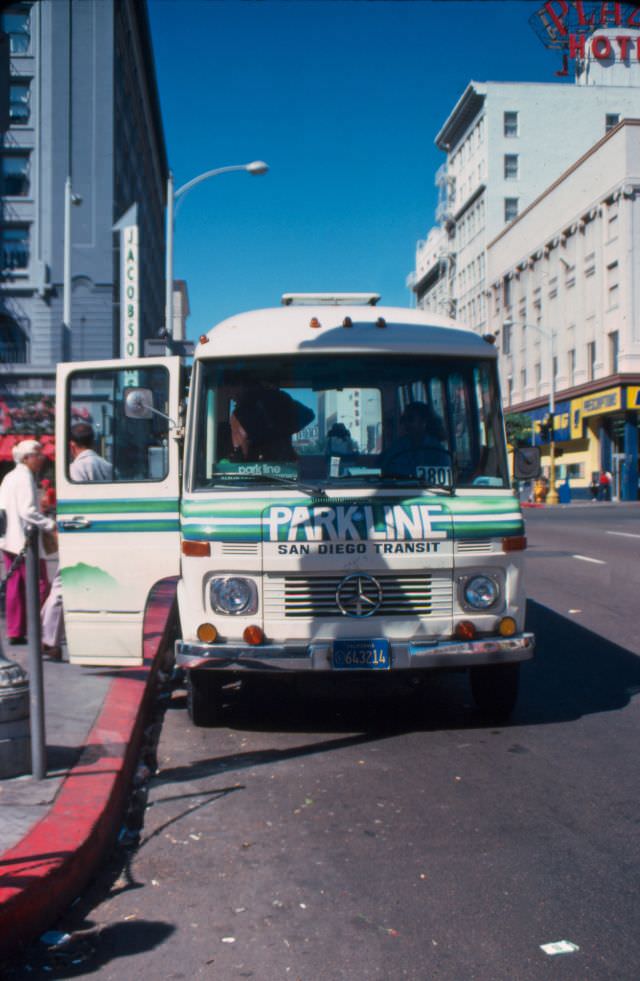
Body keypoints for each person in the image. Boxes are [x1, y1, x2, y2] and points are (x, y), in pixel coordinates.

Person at [0, 440, 55, 646]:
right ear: (25, 458)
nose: (41, 458)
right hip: (25, 542)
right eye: (37, 455)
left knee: (14, 586)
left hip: (8, 539)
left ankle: (16, 629)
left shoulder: (9, 477)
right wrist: (50, 524)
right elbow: (28, 511)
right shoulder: (24, 478)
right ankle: (39, 626)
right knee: (40, 585)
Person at [227, 386, 315, 462]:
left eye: (231, 388)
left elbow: (308, 415)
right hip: (279, 466)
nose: (230, 396)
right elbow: (309, 415)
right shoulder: (280, 400)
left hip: (274, 467)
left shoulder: (240, 414)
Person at [380, 401, 449, 477]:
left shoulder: (437, 451)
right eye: (403, 419)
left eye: (410, 419)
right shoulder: (397, 446)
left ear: (423, 422)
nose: (406, 423)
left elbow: (443, 475)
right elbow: (385, 468)